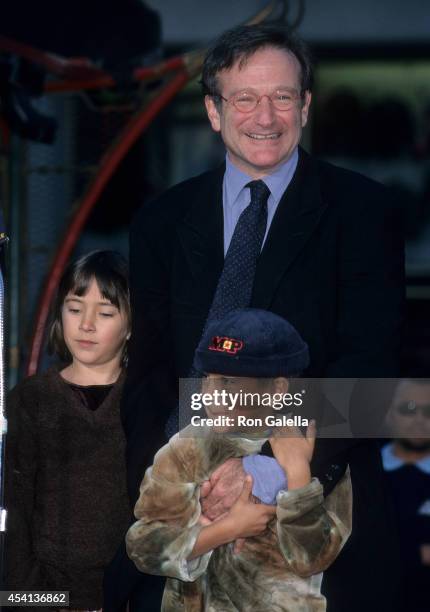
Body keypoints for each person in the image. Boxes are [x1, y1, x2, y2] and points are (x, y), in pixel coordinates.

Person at [115, 23, 404, 612]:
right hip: (184, 523)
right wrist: (171, 485)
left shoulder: (364, 212)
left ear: (305, 105)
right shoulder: (161, 222)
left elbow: (370, 369)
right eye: (244, 98)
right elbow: (145, 373)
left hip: (313, 521)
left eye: (281, 97)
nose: (264, 116)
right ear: (214, 112)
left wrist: (262, 472)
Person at [126, 309, 352, 611]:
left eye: (228, 383)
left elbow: (313, 558)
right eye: (207, 379)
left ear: (277, 389)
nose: (210, 394)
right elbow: (142, 546)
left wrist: (297, 475)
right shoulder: (188, 446)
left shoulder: (317, 451)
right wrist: (224, 530)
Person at [5, 250, 132, 610]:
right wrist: (28, 602)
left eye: (105, 313)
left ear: (131, 326)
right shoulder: (30, 400)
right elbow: (16, 515)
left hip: (129, 593)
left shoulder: (145, 398)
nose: (86, 324)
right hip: (50, 594)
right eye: (75, 309)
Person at [381, 378, 430, 612]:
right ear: (389, 413)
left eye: (429, 411)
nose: (419, 419)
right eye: (408, 409)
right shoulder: (357, 473)